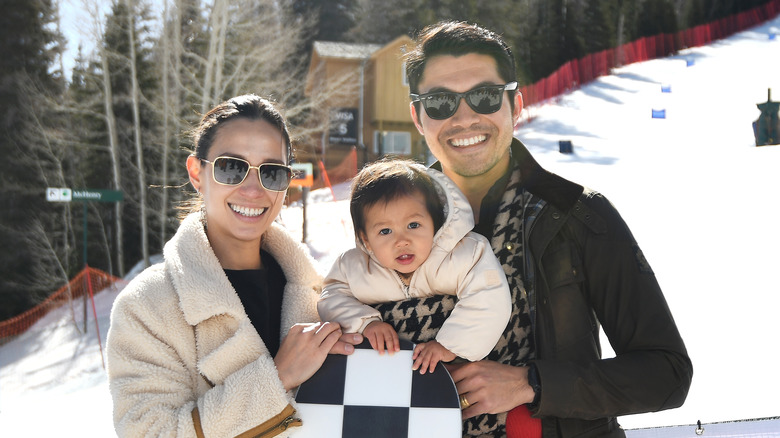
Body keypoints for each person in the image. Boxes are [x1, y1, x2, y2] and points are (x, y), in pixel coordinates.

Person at [397, 21, 693, 437]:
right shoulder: (388, 225)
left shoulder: (577, 215)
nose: (464, 118)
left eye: (484, 97)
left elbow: (666, 373)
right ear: (418, 116)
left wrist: (531, 384)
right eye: (441, 102)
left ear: (515, 105)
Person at [106, 94, 361, 437]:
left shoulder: (325, 295)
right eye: (232, 167)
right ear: (197, 173)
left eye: (271, 172)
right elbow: (149, 432)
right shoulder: (148, 305)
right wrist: (277, 378)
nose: (254, 190)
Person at [318, 159, 512, 374]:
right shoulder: (355, 266)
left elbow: (489, 296)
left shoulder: (465, 253)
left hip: (458, 368)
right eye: (385, 231)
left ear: (436, 223)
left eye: (413, 225)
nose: (402, 241)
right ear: (365, 239)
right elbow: (332, 296)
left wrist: (449, 345)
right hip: (388, 372)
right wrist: (366, 323)